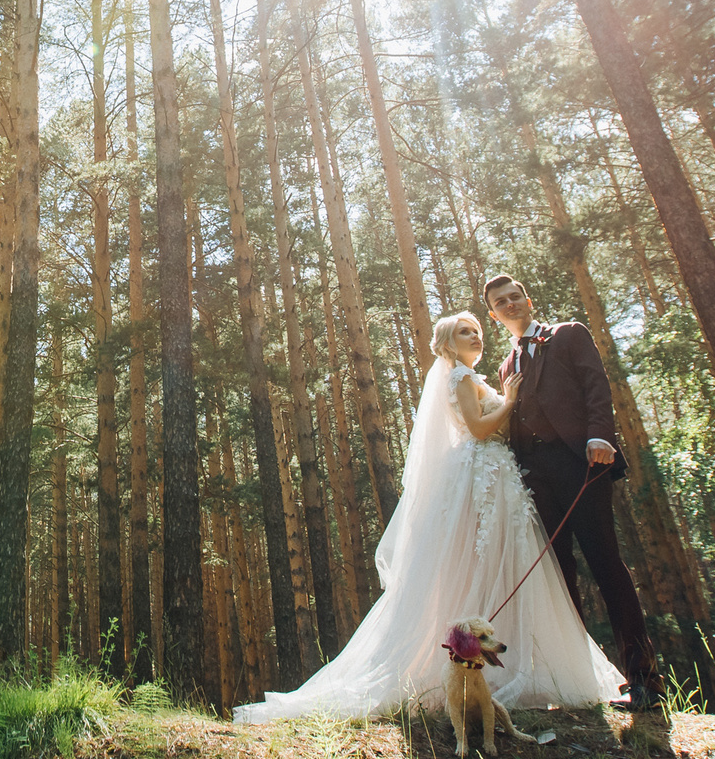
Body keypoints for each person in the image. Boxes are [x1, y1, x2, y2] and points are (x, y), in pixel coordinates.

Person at [235, 309, 626, 722]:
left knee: (502, 561)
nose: (474, 337)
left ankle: (517, 668)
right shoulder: (459, 377)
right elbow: (479, 429)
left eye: (477, 331)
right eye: (464, 332)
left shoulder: (474, 377)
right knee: (484, 561)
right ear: (447, 342)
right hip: (481, 475)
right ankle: (486, 670)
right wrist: (510, 401)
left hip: (497, 476)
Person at [486, 274, 665, 712]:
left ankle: (643, 681)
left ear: (528, 300)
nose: (510, 304)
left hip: (580, 462)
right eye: (501, 302)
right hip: (535, 477)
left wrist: (600, 436)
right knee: (558, 577)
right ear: (494, 316)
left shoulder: (567, 334)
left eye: (515, 297)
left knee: (606, 564)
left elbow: (595, 385)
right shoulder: (507, 367)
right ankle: (577, 683)